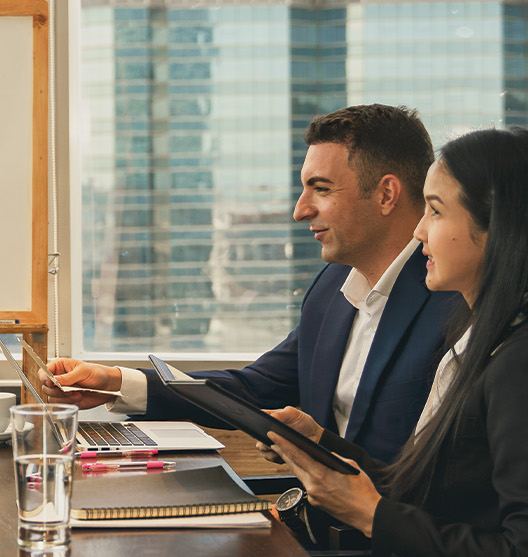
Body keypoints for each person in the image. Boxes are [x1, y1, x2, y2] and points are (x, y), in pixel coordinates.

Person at [263, 127, 528, 557]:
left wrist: (371, 516)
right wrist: (322, 444)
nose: (419, 231)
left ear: (499, 228)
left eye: (436, 212)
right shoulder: (485, 334)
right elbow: (435, 494)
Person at [49, 104, 460, 463]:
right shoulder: (332, 289)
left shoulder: (457, 306)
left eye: (320, 189)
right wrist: (116, 383)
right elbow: (255, 388)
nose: (300, 211)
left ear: (387, 194)